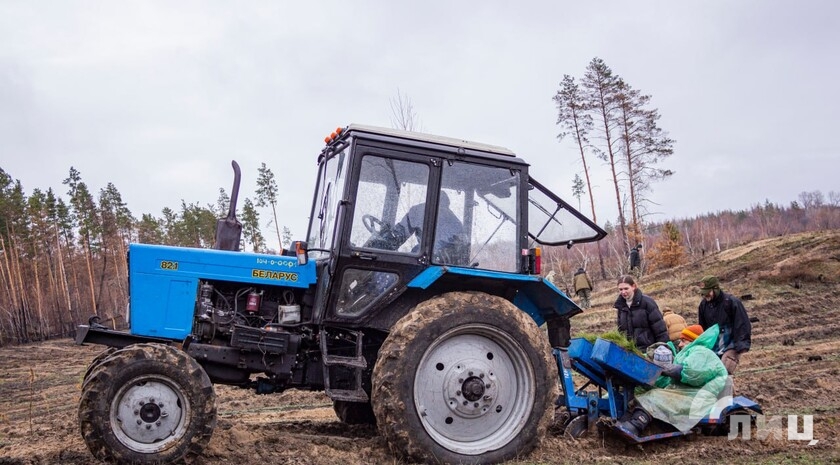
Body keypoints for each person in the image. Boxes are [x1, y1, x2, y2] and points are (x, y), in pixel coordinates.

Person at [617, 324, 730, 435]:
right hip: (687, 392)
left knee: (655, 397)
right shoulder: (689, 353)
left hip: (697, 396)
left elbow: (693, 372)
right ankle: (622, 423)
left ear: (692, 341)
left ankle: (634, 427)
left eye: (683, 341)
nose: (680, 344)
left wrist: (669, 369)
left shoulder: (702, 352)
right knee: (647, 394)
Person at [696, 276, 751, 375]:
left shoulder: (731, 302)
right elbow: (703, 329)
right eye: (703, 293)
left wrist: (741, 346)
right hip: (714, 347)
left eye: (708, 292)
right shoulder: (703, 306)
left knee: (723, 374)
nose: (705, 296)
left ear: (715, 289)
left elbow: (742, 324)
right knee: (711, 376)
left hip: (731, 345)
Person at [614, 275, 669, 351]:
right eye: (620, 289)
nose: (623, 292)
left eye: (626, 288)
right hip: (630, 351)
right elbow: (621, 331)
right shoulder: (621, 306)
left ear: (633, 287)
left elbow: (660, 329)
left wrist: (662, 348)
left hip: (648, 349)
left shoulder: (647, 303)